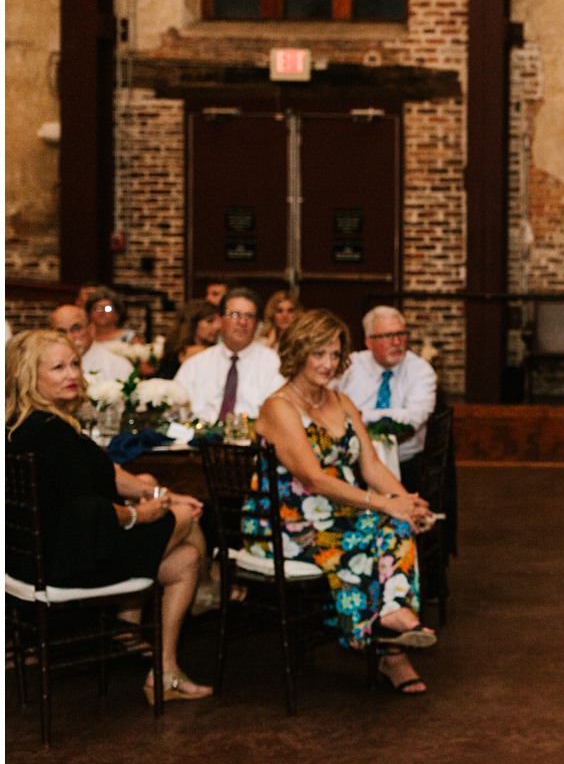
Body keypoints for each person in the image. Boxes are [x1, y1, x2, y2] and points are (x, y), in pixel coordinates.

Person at [5, 331, 214, 702]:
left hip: (37, 555)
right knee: (187, 516)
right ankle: (207, 590)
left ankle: (163, 671)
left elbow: (105, 472)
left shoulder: (26, 422)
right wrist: (141, 514)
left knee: (186, 558)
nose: (72, 374)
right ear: (27, 375)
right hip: (67, 561)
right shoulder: (48, 432)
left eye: (74, 364)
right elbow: (86, 508)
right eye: (58, 367)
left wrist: (157, 493)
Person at [254, 308, 435, 694]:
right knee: (375, 527)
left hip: (339, 511)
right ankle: (391, 645)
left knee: (398, 521)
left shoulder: (341, 401)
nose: (328, 364)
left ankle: (392, 618)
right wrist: (386, 505)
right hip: (289, 523)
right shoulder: (278, 407)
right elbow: (314, 479)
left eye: (335, 355)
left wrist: (408, 502)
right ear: (298, 352)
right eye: (318, 354)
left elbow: (370, 465)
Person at [344, 308, 438, 483]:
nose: (397, 342)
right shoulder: (350, 366)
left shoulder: (420, 370)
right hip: (353, 461)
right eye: (387, 336)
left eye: (401, 334)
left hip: (405, 463)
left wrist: (358, 416)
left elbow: (411, 420)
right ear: (368, 341)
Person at [176, 287, 282, 426]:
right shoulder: (196, 365)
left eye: (249, 316)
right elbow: (175, 408)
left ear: (257, 325)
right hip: (198, 442)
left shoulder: (273, 364)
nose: (242, 322)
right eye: (235, 315)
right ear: (220, 320)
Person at [49, 304, 132, 385]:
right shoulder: (47, 368)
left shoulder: (117, 366)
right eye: (61, 332)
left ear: (91, 330)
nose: (69, 337)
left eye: (76, 329)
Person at [156, 301, 220, 381]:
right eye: (209, 321)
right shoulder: (195, 352)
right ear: (193, 323)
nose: (217, 327)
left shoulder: (177, 348)